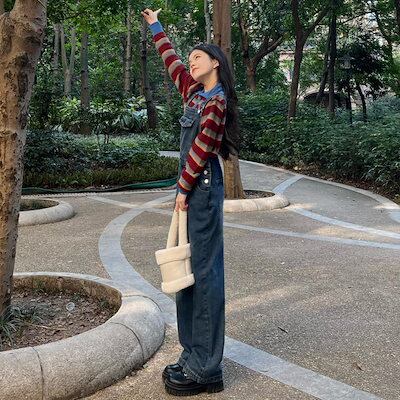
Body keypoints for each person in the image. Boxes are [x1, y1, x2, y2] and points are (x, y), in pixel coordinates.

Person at [141, 8, 240, 397]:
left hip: (201, 186)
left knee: (204, 273)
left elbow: (203, 147)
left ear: (215, 63)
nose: (190, 62)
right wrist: (155, 26)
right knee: (186, 274)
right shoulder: (195, 93)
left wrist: (182, 191)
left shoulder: (217, 101)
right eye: (190, 58)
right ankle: (191, 354)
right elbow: (171, 61)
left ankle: (206, 369)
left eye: (198, 57)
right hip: (191, 187)